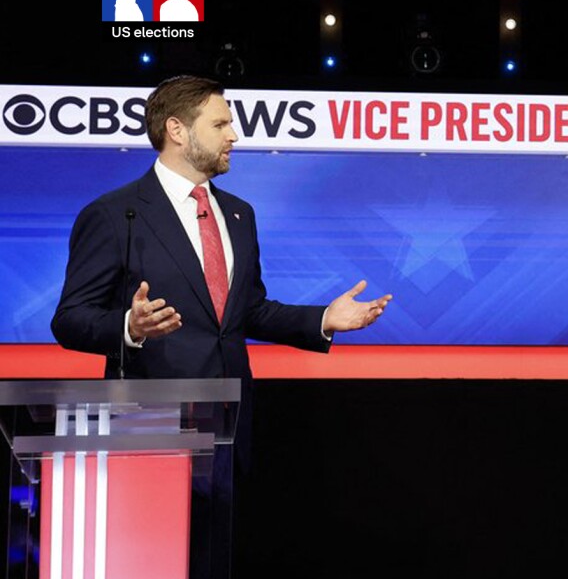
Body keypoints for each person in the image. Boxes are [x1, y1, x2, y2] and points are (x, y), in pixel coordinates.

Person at [51, 75, 390, 378]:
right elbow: (70, 320)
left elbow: (249, 311)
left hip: (232, 413)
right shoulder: (114, 213)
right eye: (220, 125)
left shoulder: (238, 213)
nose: (234, 136)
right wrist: (130, 326)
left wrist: (323, 319)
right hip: (152, 416)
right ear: (176, 130)